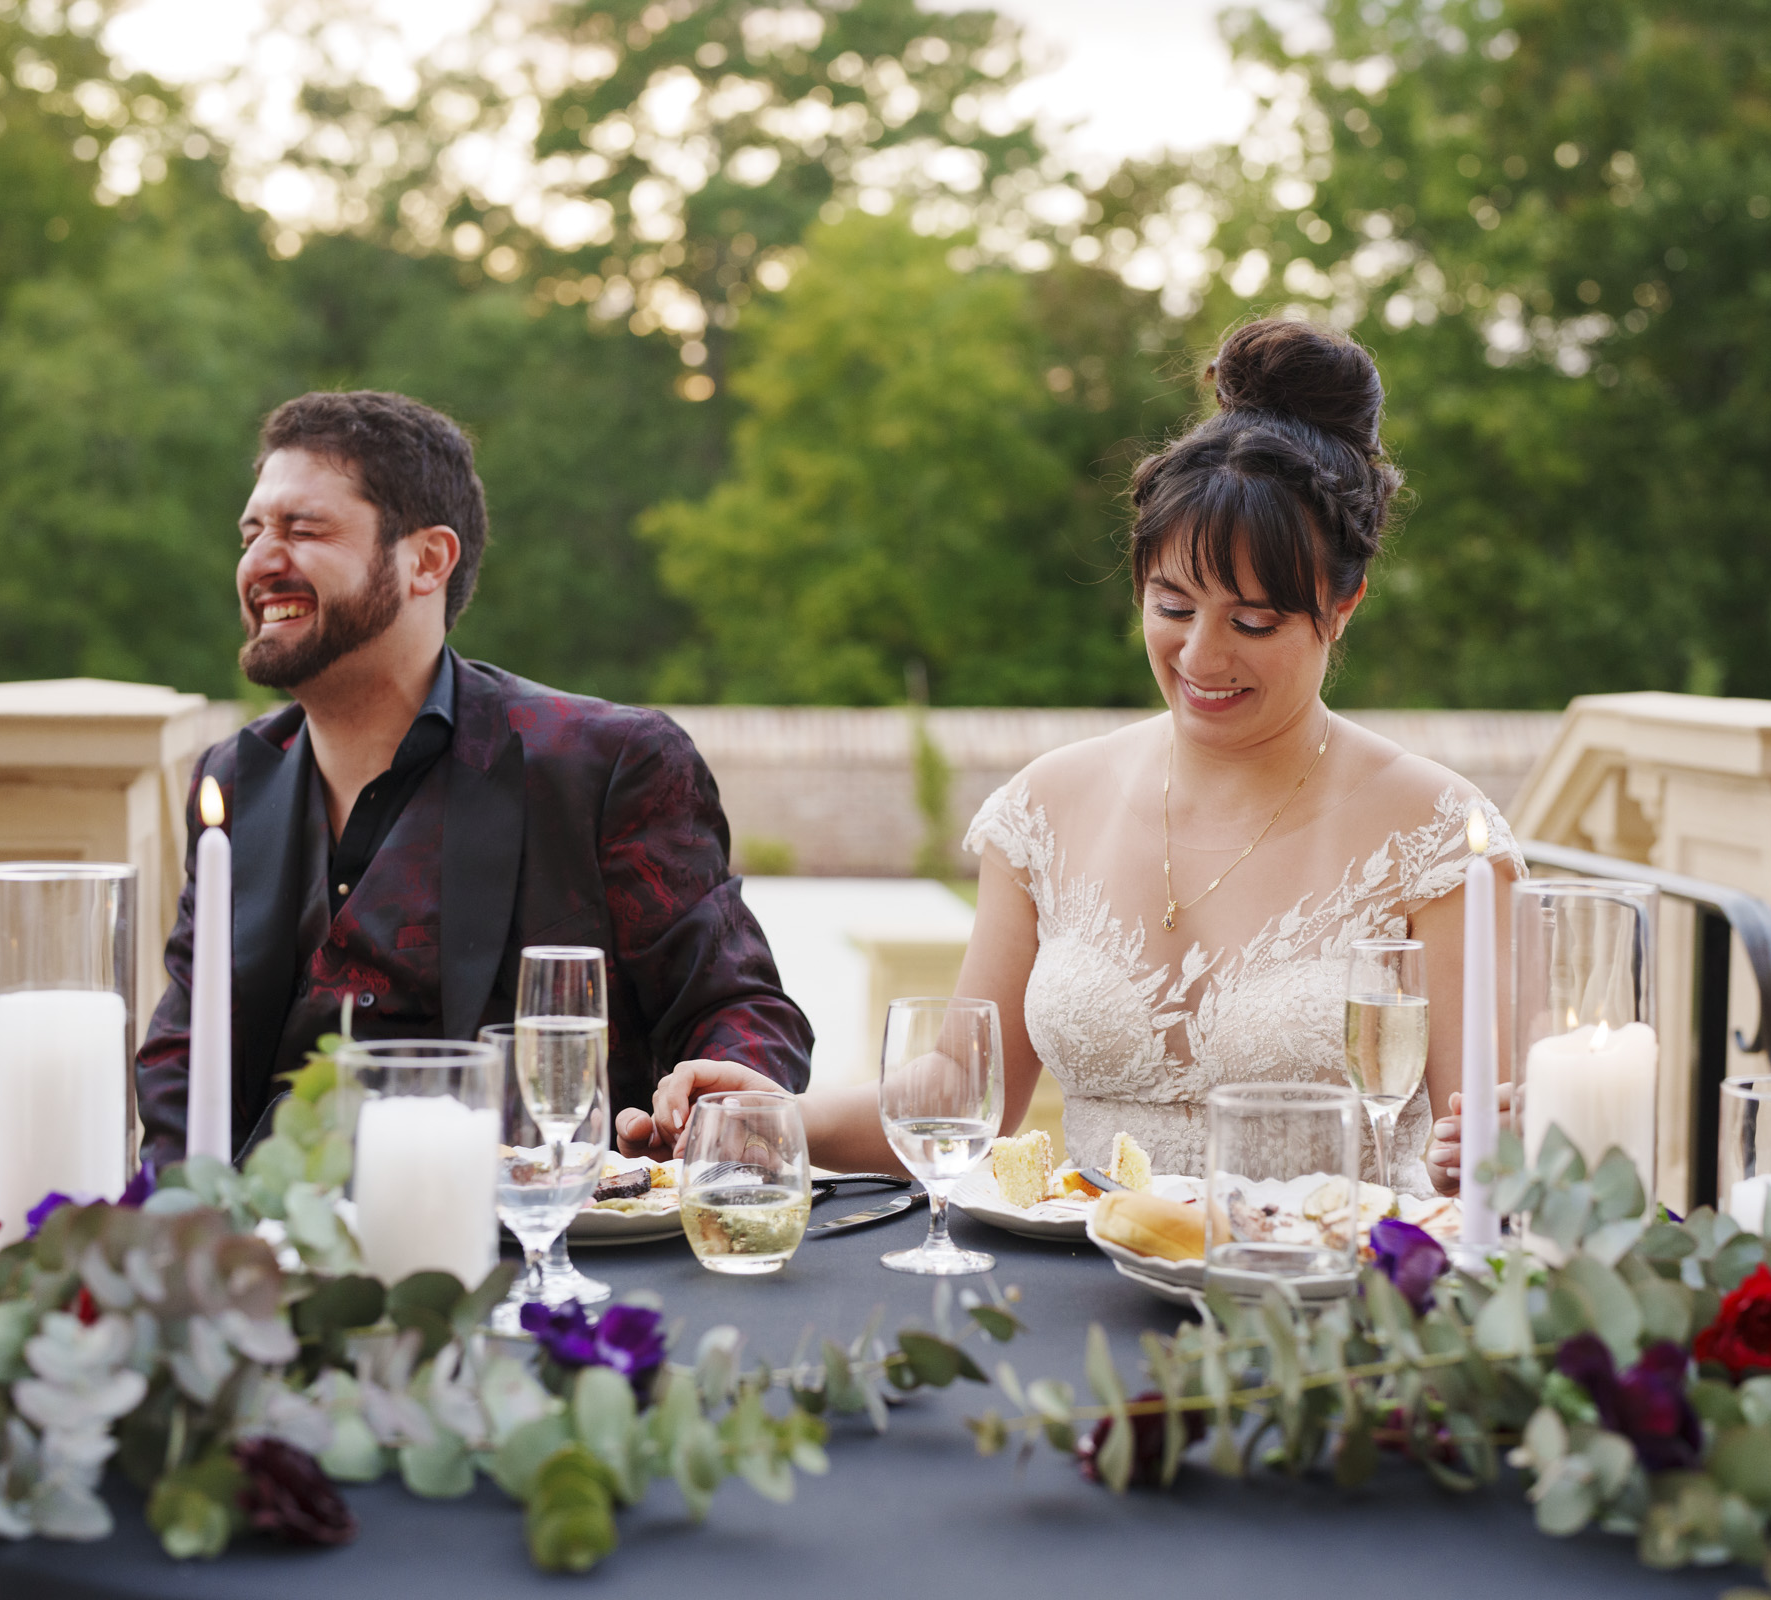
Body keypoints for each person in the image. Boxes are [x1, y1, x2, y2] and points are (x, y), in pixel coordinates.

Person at [618, 319, 1516, 1193]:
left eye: (1253, 622)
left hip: (1325, 1302)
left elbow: (1483, 1135)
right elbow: (963, 1094)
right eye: (1172, 608)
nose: (1203, 658)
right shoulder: (1048, 805)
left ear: (1344, 603)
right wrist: (771, 1116)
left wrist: (1483, 1156)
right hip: (1084, 1300)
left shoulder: (1438, 835)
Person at [137, 391, 811, 1166]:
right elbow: (181, 1060)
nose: (259, 560)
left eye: (303, 529)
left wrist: (724, 1087)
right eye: (252, 532)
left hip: (532, 1254)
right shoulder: (233, 781)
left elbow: (740, 1009)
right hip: (270, 1257)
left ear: (428, 560)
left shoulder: (607, 764)